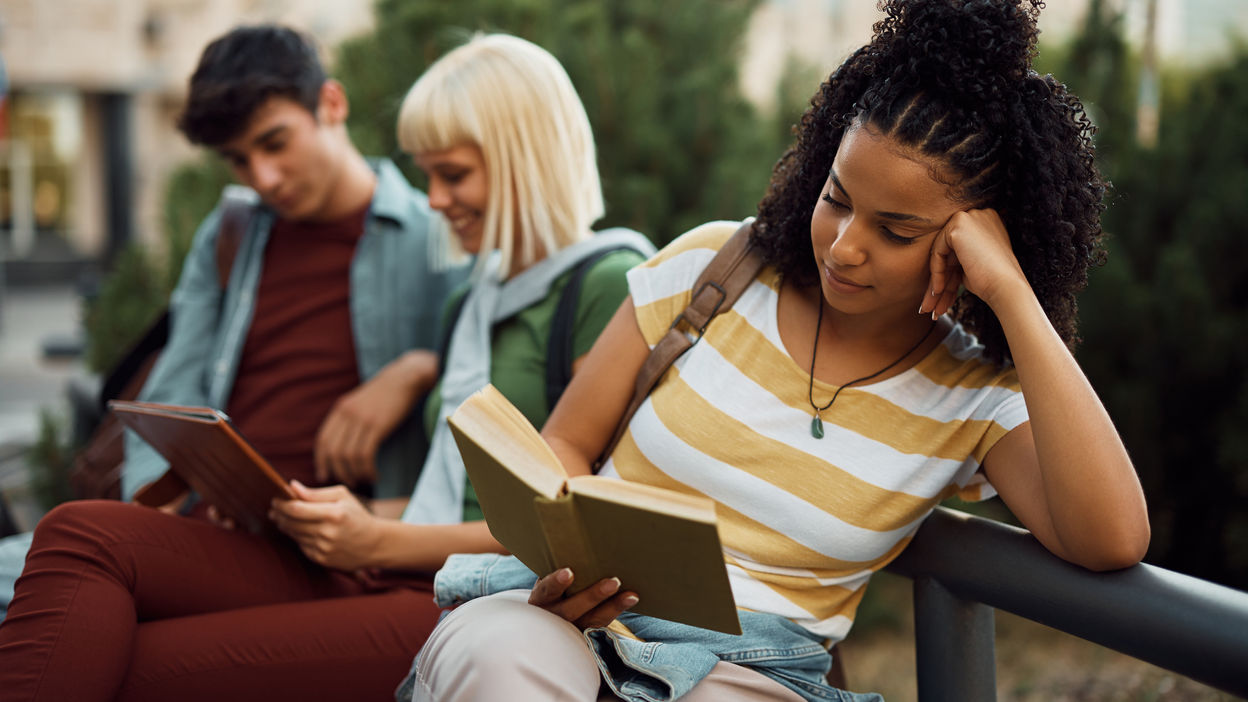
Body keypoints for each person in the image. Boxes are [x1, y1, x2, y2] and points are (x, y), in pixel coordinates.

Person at [405, 2, 1151, 700]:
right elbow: (566, 441)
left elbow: (1112, 538)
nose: (846, 248)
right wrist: (563, 561)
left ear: (972, 244)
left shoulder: (973, 393)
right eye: (837, 198)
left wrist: (1014, 296)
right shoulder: (717, 265)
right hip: (567, 617)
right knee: (499, 661)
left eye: (895, 231)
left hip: (749, 670)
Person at [0, 32, 651, 702]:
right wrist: (346, 512)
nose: (433, 199)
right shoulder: (473, 299)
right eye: (428, 175)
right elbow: (447, 487)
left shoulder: (607, 285)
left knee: (136, 663)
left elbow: (576, 528)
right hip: (388, 559)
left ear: (524, 162)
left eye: (451, 175)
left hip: (476, 594)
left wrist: (375, 538)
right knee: (77, 531)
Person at [0, 24, 469, 619]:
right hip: (206, 526)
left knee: (46, 563)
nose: (262, 178)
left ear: (331, 103)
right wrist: (157, 502)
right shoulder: (233, 231)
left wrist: (419, 369)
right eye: (239, 160)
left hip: (337, 548)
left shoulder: (440, 233)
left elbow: (490, 378)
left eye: (275, 143)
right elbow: (175, 389)